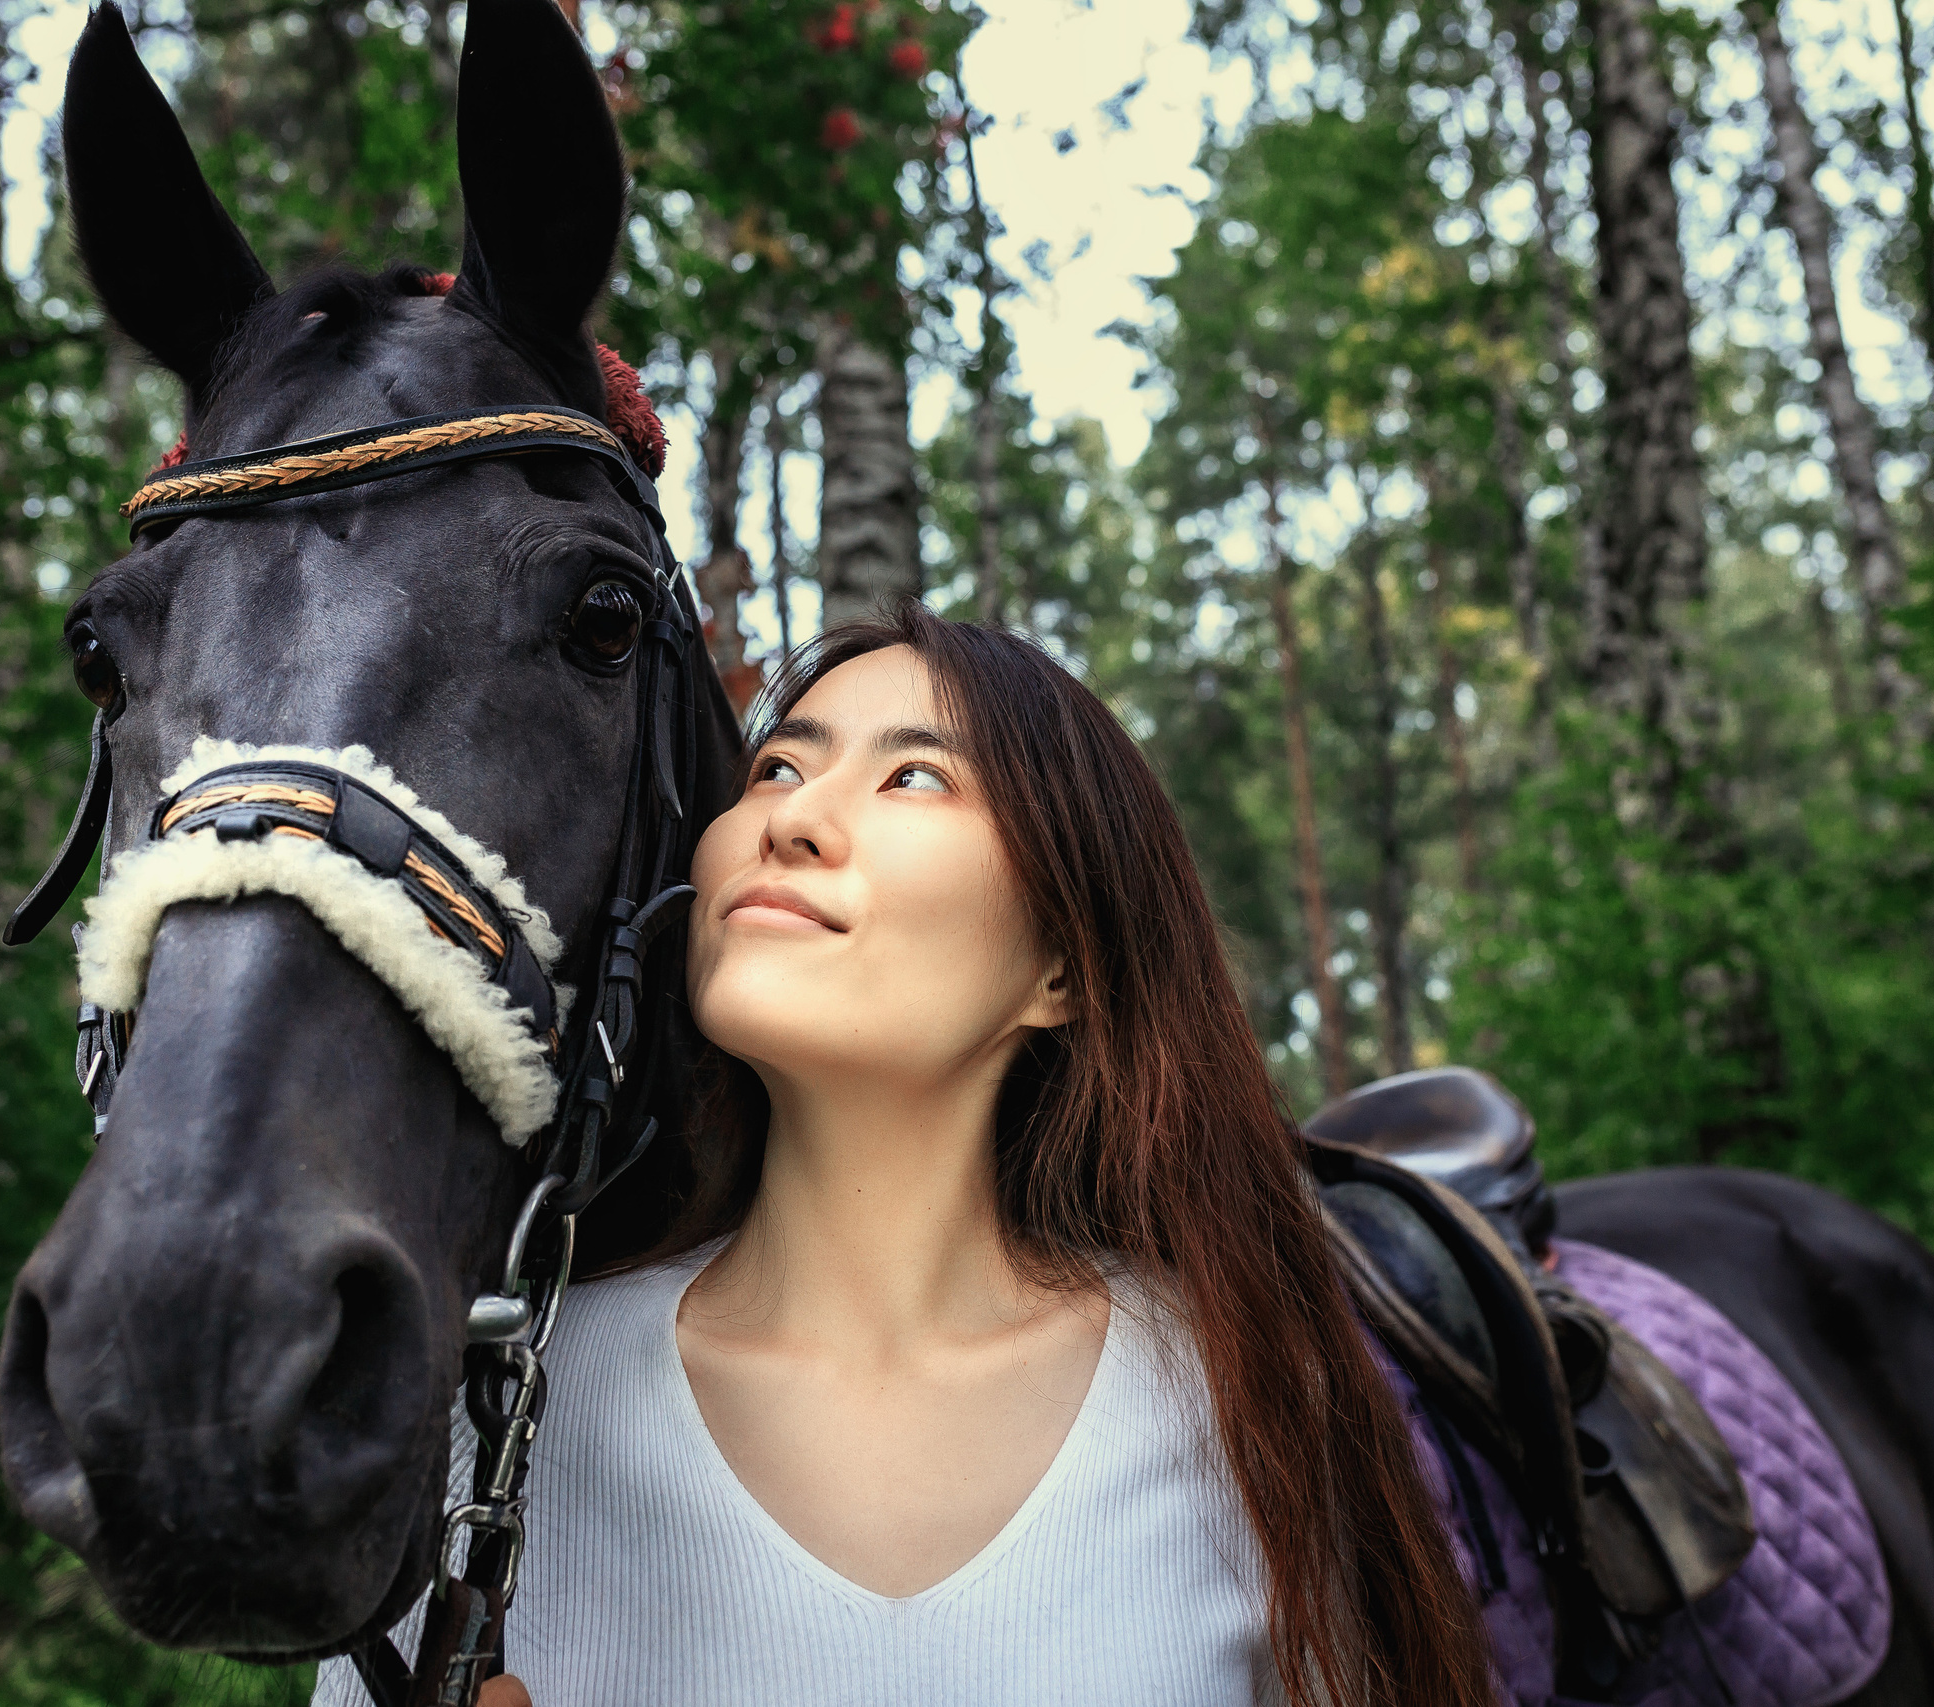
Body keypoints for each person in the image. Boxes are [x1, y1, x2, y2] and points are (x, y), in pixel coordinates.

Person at [342, 604, 1492, 1707]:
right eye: (776, 771)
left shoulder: (1242, 1392)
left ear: (1063, 967)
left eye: (914, 777)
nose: (788, 821)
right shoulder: (494, 1420)